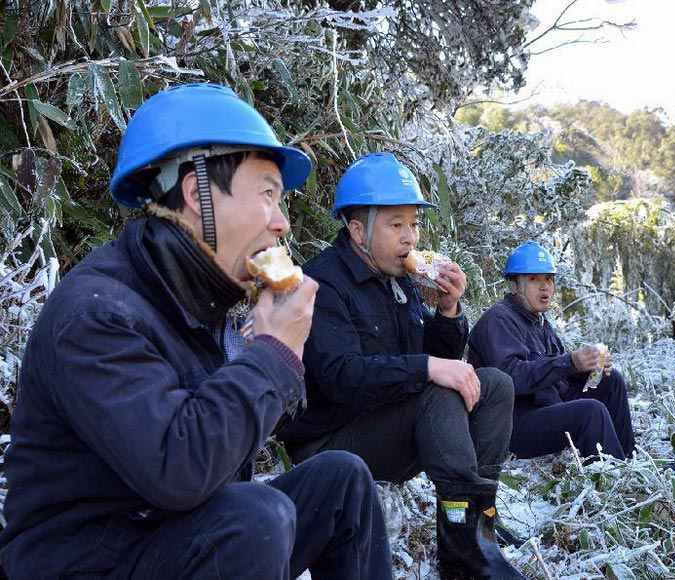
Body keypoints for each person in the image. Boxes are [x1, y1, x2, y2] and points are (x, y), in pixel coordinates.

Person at [0, 84, 391, 579]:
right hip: (86, 562)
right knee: (254, 520)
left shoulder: (201, 302)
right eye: (268, 195)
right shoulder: (97, 313)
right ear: (196, 193)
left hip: (169, 534)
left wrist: (269, 354)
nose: (282, 224)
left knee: (343, 481)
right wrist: (271, 355)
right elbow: (178, 470)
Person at [277, 152, 526, 579]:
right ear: (357, 230)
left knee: (495, 385)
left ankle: (474, 524)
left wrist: (448, 311)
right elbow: (342, 377)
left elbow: (432, 355)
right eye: (396, 225)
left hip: (393, 423)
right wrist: (427, 367)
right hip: (333, 445)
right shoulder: (322, 282)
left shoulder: (400, 281)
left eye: (413, 224)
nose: (410, 238)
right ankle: (466, 552)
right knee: (435, 389)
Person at [468, 241, 636, 461]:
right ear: (514, 286)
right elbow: (511, 378)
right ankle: (613, 481)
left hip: (544, 411)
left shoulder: (539, 323)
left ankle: (630, 465)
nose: (544, 286)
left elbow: (558, 381)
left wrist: (587, 367)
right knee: (590, 412)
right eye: (533, 279)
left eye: (548, 279)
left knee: (610, 381)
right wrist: (568, 362)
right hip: (510, 427)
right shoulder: (498, 319)